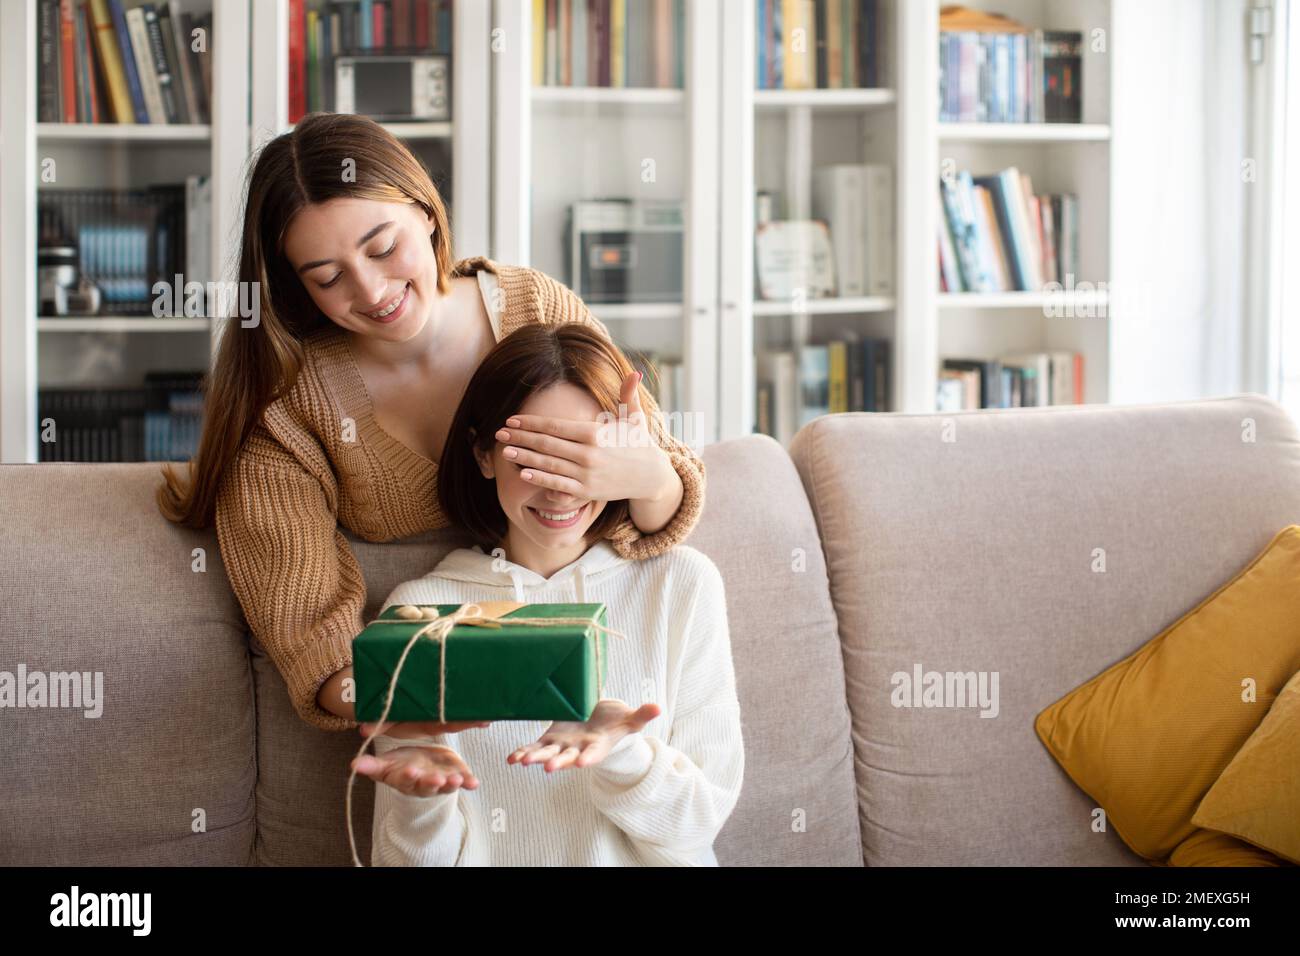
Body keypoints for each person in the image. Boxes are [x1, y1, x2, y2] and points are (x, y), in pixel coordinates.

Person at [155, 113, 706, 765]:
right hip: (439, 704)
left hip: (608, 652)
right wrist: (406, 710)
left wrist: (642, 476)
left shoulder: (535, 311)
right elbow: (309, 635)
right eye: (327, 277)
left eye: (383, 247)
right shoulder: (287, 407)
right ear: (296, 287)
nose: (371, 289)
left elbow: (660, 505)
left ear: (425, 211)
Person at [353, 323, 743, 866]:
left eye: (580, 454)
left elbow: (699, 825)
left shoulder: (682, 586)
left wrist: (622, 754)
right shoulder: (423, 612)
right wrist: (421, 804)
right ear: (484, 455)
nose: (560, 487)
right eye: (533, 456)